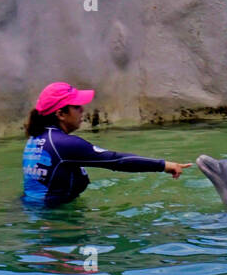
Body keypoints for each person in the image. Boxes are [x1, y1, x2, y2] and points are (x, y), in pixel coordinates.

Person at [22, 82, 190, 208]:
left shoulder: (36, 139)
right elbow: (117, 161)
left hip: (38, 211)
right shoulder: (64, 144)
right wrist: (164, 165)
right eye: (77, 107)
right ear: (61, 114)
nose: (83, 110)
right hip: (56, 220)